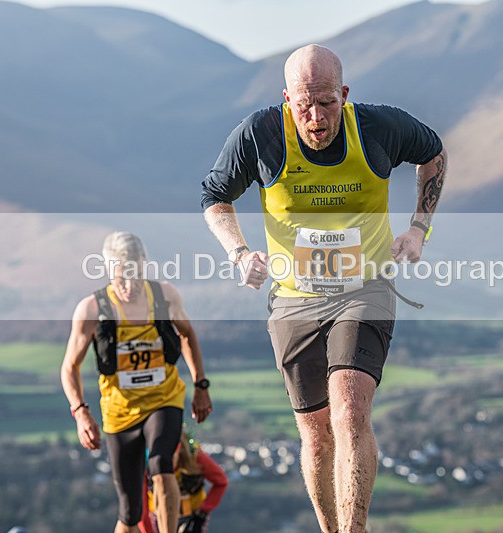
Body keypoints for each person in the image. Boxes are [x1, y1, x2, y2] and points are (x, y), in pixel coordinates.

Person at [201, 44, 446, 532]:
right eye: (304, 104)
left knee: (349, 407)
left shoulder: (378, 128)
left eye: (327, 103)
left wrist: (419, 227)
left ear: (345, 94)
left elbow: (433, 153)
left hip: (365, 288)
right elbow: (214, 197)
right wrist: (239, 252)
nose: (315, 118)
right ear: (286, 98)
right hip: (294, 297)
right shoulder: (261, 135)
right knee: (315, 436)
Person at [61, 231, 213, 533]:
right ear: (108, 272)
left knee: (160, 464)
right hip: (120, 412)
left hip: (164, 399)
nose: (129, 287)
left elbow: (187, 334)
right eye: (120, 278)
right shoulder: (92, 309)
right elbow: (69, 367)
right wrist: (81, 413)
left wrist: (200, 385)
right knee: (130, 513)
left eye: (135, 276)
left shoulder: (165, 296)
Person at [138, 430, 228, 533]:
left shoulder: (195, 457)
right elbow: (142, 511)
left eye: (171, 457)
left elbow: (221, 482)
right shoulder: (146, 466)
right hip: (159, 515)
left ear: (179, 450)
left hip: (193, 514)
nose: (167, 464)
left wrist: (203, 511)